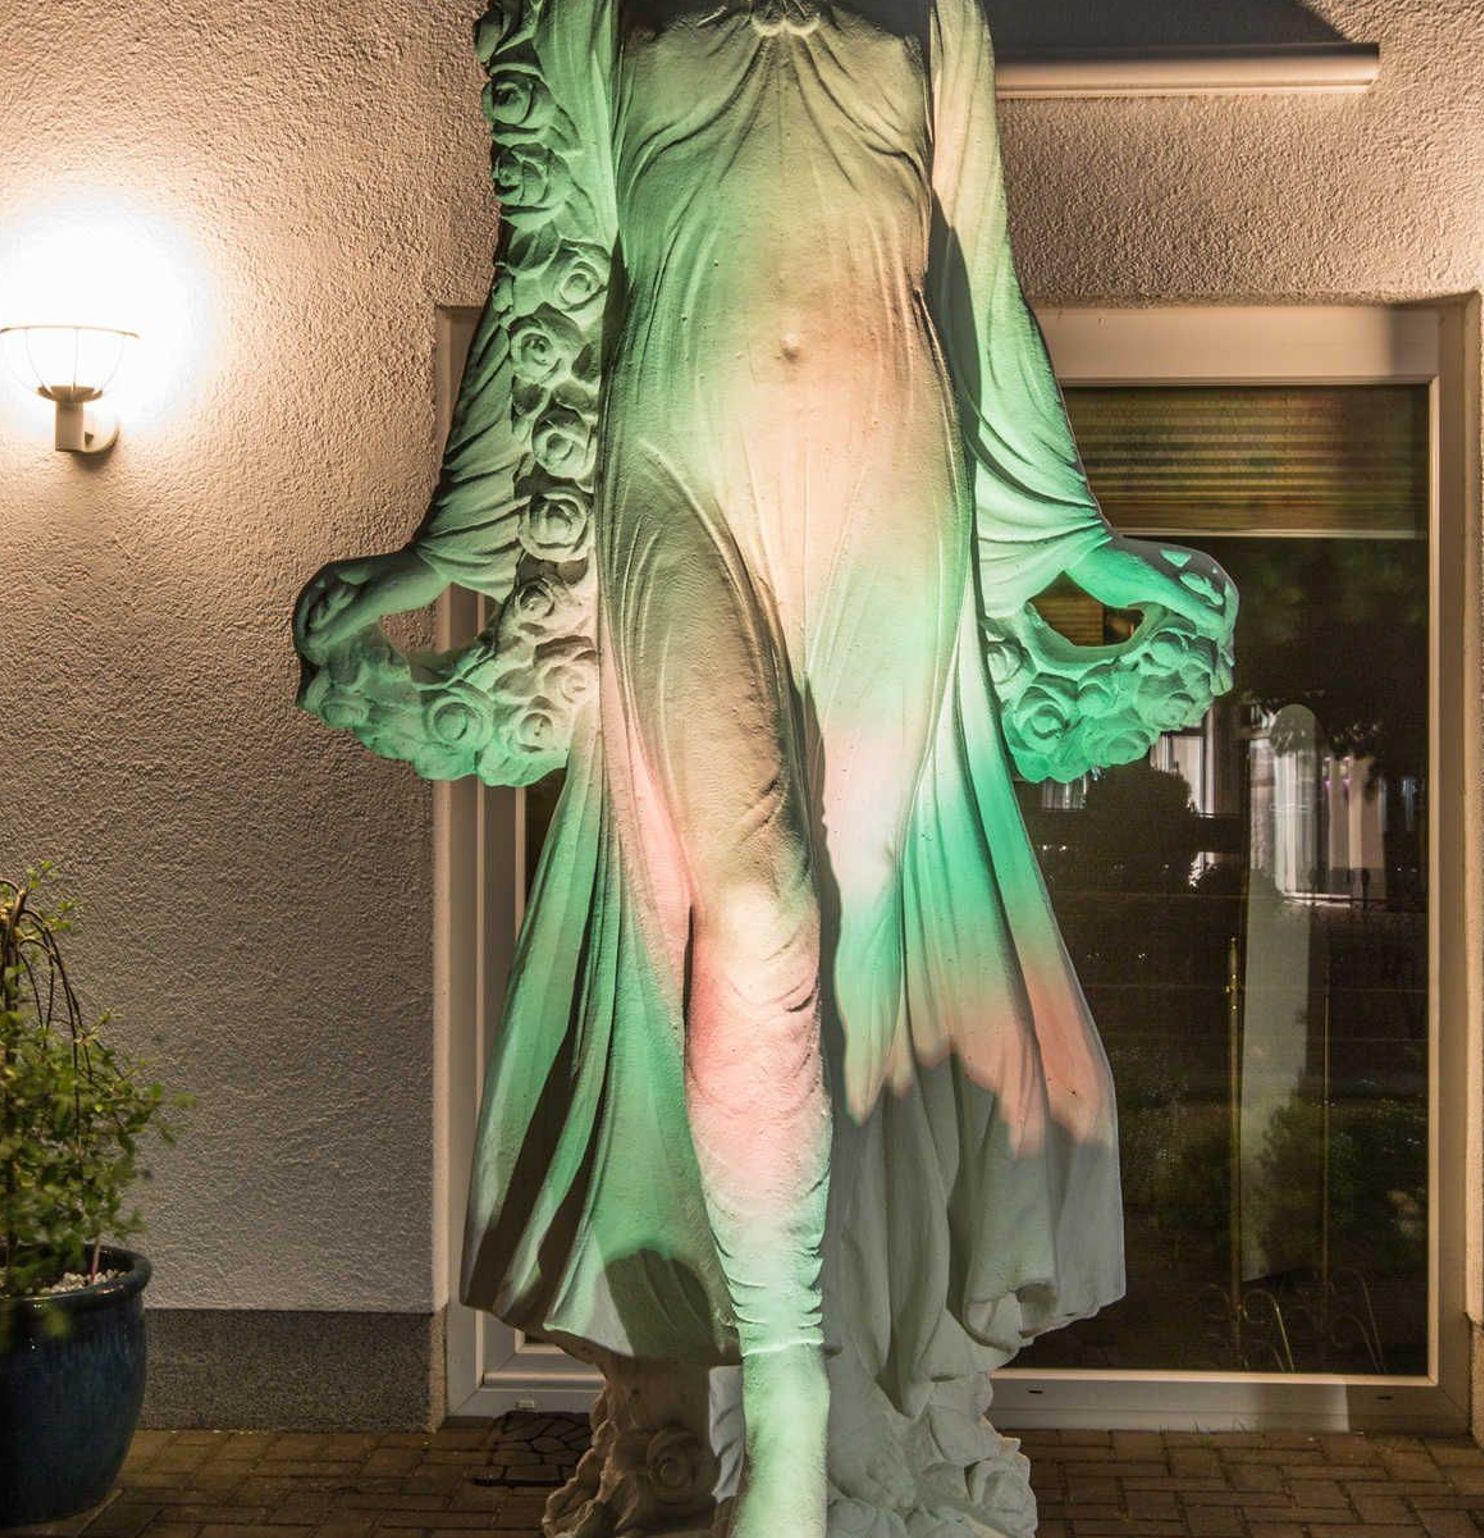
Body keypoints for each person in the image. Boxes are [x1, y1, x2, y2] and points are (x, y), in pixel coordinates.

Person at [295, 2, 1235, 1533]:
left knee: (860, 970)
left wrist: (1065, 532)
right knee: (754, 905)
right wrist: (448, 547)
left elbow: (978, 280)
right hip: (677, 467)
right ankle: (784, 1399)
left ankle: (855, 1412)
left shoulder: (936, 9)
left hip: (894, 483)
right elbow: (550, 277)